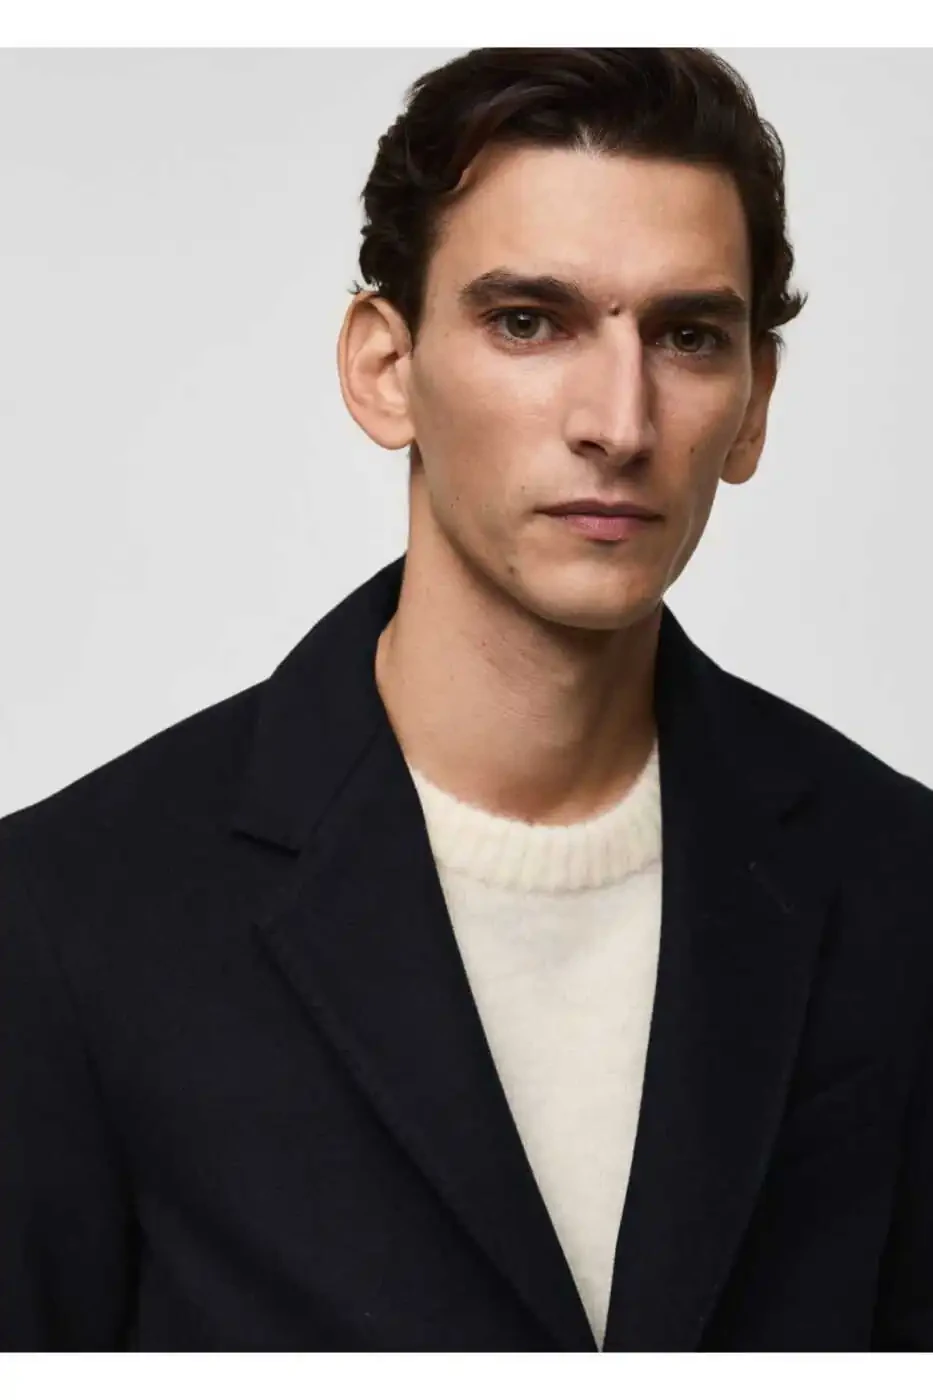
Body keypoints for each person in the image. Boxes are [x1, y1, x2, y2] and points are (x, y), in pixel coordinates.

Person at [1, 46, 931, 1354]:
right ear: (386, 368)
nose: (619, 422)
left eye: (688, 337)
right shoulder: (68, 920)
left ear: (752, 405)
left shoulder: (898, 887)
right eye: (530, 322)